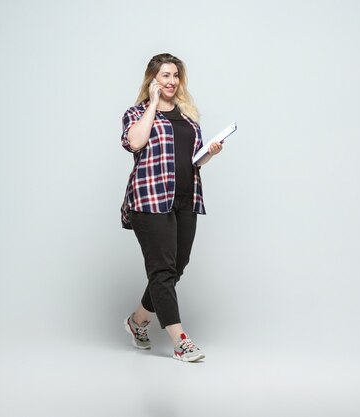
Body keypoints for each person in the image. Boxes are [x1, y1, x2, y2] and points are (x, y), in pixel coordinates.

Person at [119, 53, 223, 362]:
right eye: (165, 75)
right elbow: (135, 143)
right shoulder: (136, 113)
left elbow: (193, 161)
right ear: (153, 79)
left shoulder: (188, 116)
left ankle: (137, 322)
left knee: (177, 266)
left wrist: (210, 153)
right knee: (162, 270)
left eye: (175, 75)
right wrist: (151, 104)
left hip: (185, 198)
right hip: (150, 199)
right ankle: (181, 341)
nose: (171, 81)